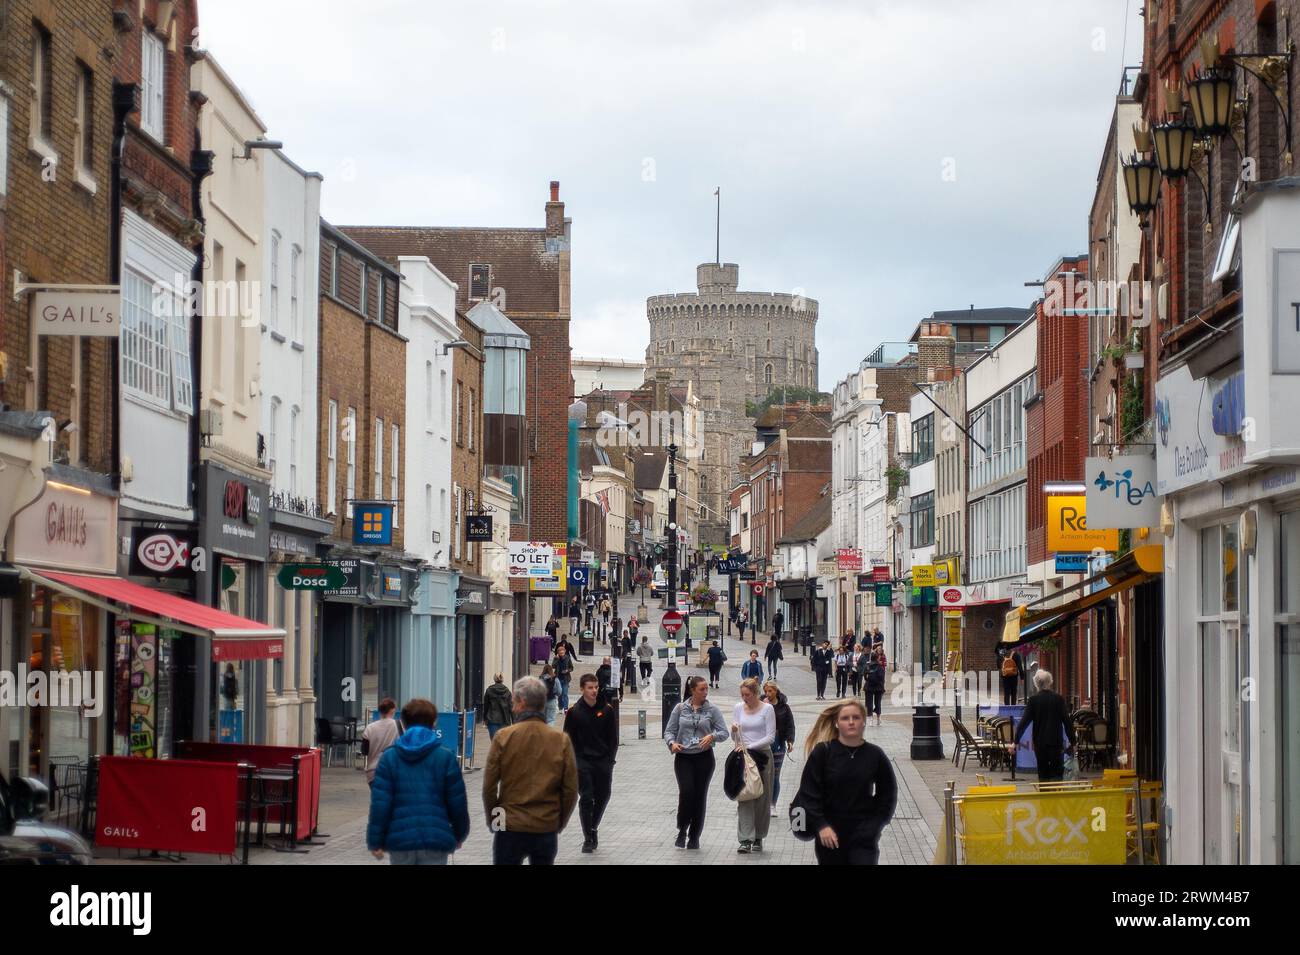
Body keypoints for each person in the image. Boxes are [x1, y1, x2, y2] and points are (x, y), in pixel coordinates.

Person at [484, 677, 579, 865]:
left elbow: (489, 787)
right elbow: (570, 789)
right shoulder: (560, 740)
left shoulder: (504, 737)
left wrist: (495, 820)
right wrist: (558, 822)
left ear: (522, 703)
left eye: (514, 703)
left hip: (510, 825)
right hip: (545, 825)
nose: (512, 708)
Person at [792, 699, 897, 865]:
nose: (851, 722)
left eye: (856, 717)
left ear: (863, 721)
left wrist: (873, 826)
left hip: (863, 838)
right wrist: (821, 826)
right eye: (845, 718)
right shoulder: (823, 753)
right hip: (830, 836)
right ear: (836, 723)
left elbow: (888, 796)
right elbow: (809, 793)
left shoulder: (875, 755)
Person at [367, 698, 470, 864]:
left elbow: (381, 804)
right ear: (434, 723)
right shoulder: (445, 757)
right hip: (435, 839)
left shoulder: (389, 758)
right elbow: (457, 802)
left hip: (401, 840)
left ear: (403, 723)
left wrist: (375, 840)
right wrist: (459, 834)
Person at [664, 675, 728, 850]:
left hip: (704, 758)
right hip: (684, 757)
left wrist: (712, 736)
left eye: (707, 689)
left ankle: (694, 836)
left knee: (699, 796)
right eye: (702, 689)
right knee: (687, 792)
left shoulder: (712, 710)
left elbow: (724, 732)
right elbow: (669, 731)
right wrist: (672, 743)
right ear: (692, 690)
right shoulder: (680, 708)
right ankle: (682, 828)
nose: (705, 692)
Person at [563, 673, 620, 853]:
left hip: (603, 760)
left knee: (603, 795)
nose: (594, 691)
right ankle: (588, 837)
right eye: (590, 688)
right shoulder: (574, 712)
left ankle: (593, 827)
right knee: (587, 797)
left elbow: (613, 738)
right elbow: (567, 739)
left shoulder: (607, 710)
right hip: (582, 761)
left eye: (596, 687)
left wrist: (610, 759)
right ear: (582, 689)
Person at [731, 677, 776, 853]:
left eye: (747, 695)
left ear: (756, 693)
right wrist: (733, 731)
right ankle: (745, 838)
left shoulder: (767, 709)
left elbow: (770, 737)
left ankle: (759, 836)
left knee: (762, 797)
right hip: (743, 757)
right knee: (744, 795)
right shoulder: (738, 708)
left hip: (762, 756)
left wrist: (749, 746)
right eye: (742, 695)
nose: (744, 698)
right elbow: (734, 737)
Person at [1013, 670, 1076, 782]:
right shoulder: (1059, 699)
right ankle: (1055, 795)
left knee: (1043, 774)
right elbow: (1067, 722)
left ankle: (1044, 795)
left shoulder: (1033, 700)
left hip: (1040, 743)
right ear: (1050, 682)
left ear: (1036, 684)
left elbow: (1024, 722)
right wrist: (1073, 742)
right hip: (1056, 743)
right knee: (1057, 774)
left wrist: (1015, 742)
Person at [763, 681, 796, 818]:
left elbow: (790, 725)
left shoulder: (784, 707)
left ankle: (772, 804)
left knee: (775, 775)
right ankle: (762, 803)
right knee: (763, 774)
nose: (768, 694)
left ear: (776, 691)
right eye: (766, 691)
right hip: (762, 743)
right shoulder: (761, 705)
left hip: (778, 742)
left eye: (770, 691)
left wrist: (790, 740)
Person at [362, 698, 402, 786]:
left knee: (379, 798)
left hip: (373, 772)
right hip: (393, 770)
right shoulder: (399, 725)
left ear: (380, 711)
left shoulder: (369, 728)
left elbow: (364, 751)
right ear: (393, 710)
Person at [482, 675, 514, 741]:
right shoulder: (507, 692)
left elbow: (486, 706)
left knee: (494, 742)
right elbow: (511, 708)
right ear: (502, 679)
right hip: (505, 720)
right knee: (503, 742)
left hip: (492, 720)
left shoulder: (489, 691)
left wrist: (484, 718)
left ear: (494, 679)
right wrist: (514, 721)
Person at [864, 651, 886, 725]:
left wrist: (869, 680)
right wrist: (882, 686)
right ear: (877, 658)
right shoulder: (880, 666)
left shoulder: (867, 665)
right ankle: (878, 719)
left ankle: (870, 720)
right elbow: (882, 677)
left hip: (869, 686)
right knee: (878, 703)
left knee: (869, 703)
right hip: (878, 687)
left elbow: (865, 676)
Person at [553, 645, 574, 710]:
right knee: (560, 694)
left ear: (565, 652)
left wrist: (567, 670)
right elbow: (553, 666)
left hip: (565, 678)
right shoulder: (556, 658)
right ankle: (560, 707)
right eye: (560, 653)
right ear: (558, 653)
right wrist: (556, 659)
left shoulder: (568, 658)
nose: (561, 654)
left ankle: (565, 708)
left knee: (565, 693)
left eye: (562, 653)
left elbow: (571, 668)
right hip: (558, 678)